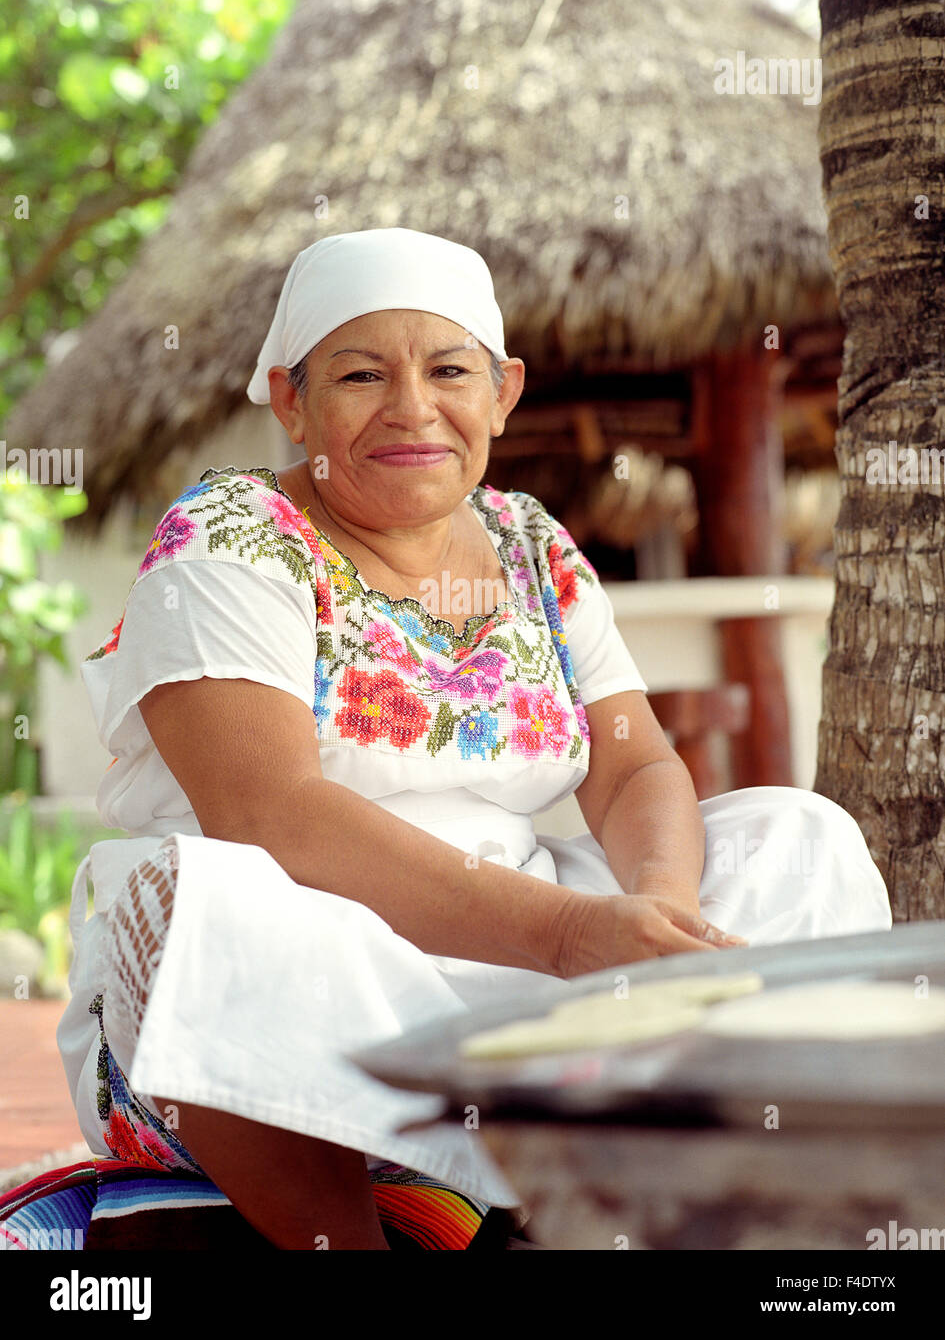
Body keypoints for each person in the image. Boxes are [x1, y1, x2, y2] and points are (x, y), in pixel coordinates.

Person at [54, 227, 892, 1250]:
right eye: (362, 374)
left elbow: (633, 764)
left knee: (798, 838)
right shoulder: (229, 536)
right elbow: (273, 814)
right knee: (186, 895)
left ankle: (621, 1197)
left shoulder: (534, 543)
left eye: (450, 370)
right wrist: (569, 935)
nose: (413, 407)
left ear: (502, 392)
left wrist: (657, 931)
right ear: (290, 400)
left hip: (530, 981)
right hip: (300, 988)